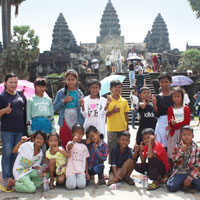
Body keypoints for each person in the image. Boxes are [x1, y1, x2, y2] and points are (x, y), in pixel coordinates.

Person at [0, 73, 26, 188]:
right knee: (7, 154)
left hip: (20, 129)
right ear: (5, 83)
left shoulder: (20, 94)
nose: (13, 84)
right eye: (10, 82)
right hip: (7, 131)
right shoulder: (2, 96)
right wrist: (5, 110)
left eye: (15, 82)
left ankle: (14, 175)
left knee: (16, 154)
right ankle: (6, 177)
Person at [53, 70, 84, 149]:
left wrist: (82, 105)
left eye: (73, 79)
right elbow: (54, 108)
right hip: (65, 120)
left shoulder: (79, 93)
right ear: (65, 80)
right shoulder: (61, 92)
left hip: (77, 119)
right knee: (64, 141)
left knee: (76, 143)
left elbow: (83, 109)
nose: (71, 82)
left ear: (76, 80)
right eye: (68, 79)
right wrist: (64, 101)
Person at [166, 126, 200, 192]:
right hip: (180, 171)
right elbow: (174, 160)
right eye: (184, 135)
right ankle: (182, 183)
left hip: (192, 172)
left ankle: (187, 183)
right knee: (171, 187)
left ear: (192, 136)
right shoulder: (177, 146)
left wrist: (189, 178)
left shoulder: (196, 148)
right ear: (181, 136)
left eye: (189, 135)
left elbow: (198, 164)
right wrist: (181, 151)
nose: (186, 137)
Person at [106, 80, 130, 163]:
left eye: (119, 87)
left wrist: (127, 126)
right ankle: (112, 168)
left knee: (123, 149)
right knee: (112, 149)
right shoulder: (108, 101)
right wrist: (112, 111)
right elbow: (105, 115)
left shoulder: (124, 101)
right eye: (115, 87)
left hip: (122, 129)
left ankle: (122, 166)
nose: (117, 89)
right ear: (111, 89)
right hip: (112, 129)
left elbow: (126, 114)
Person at [167, 87, 190, 159]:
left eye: (178, 96)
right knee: (173, 151)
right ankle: (173, 167)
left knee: (184, 151)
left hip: (183, 133)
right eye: (174, 97)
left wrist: (174, 126)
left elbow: (186, 122)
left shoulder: (186, 108)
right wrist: (171, 122)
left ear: (182, 97)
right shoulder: (171, 108)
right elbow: (169, 120)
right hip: (173, 134)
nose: (176, 98)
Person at [152, 72, 173, 150]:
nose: (164, 84)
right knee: (162, 144)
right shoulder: (158, 97)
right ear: (159, 83)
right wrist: (154, 104)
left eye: (166, 82)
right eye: (162, 82)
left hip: (174, 120)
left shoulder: (175, 94)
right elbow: (157, 114)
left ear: (170, 82)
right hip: (161, 121)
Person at [65, 123, 90, 190]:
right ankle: (70, 180)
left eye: (81, 134)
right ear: (73, 134)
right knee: (71, 186)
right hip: (71, 170)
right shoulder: (70, 143)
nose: (79, 135)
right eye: (77, 133)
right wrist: (73, 142)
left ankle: (76, 180)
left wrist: (86, 172)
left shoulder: (84, 147)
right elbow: (69, 148)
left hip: (80, 171)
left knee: (81, 185)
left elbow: (85, 161)